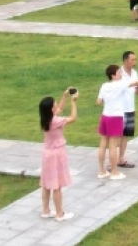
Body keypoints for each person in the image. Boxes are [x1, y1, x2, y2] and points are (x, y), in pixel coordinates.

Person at [39, 84, 79, 221]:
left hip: (47, 154)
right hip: (56, 154)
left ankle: (45, 210)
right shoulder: (56, 121)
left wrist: (65, 96)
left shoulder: (45, 119)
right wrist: (74, 102)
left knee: (46, 184)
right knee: (56, 186)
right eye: (54, 105)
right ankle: (59, 213)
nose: (57, 106)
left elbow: (60, 109)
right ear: (51, 109)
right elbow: (73, 118)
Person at [95, 64, 131, 179]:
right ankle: (114, 172)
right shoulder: (120, 85)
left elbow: (98, 101)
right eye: (119, 72)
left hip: (105, 116)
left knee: (102, 144)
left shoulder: (104, 85)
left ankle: (101, 171)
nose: (120, 73)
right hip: (116, 117)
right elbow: (135, 83)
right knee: (113, 145)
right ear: (113, 75)